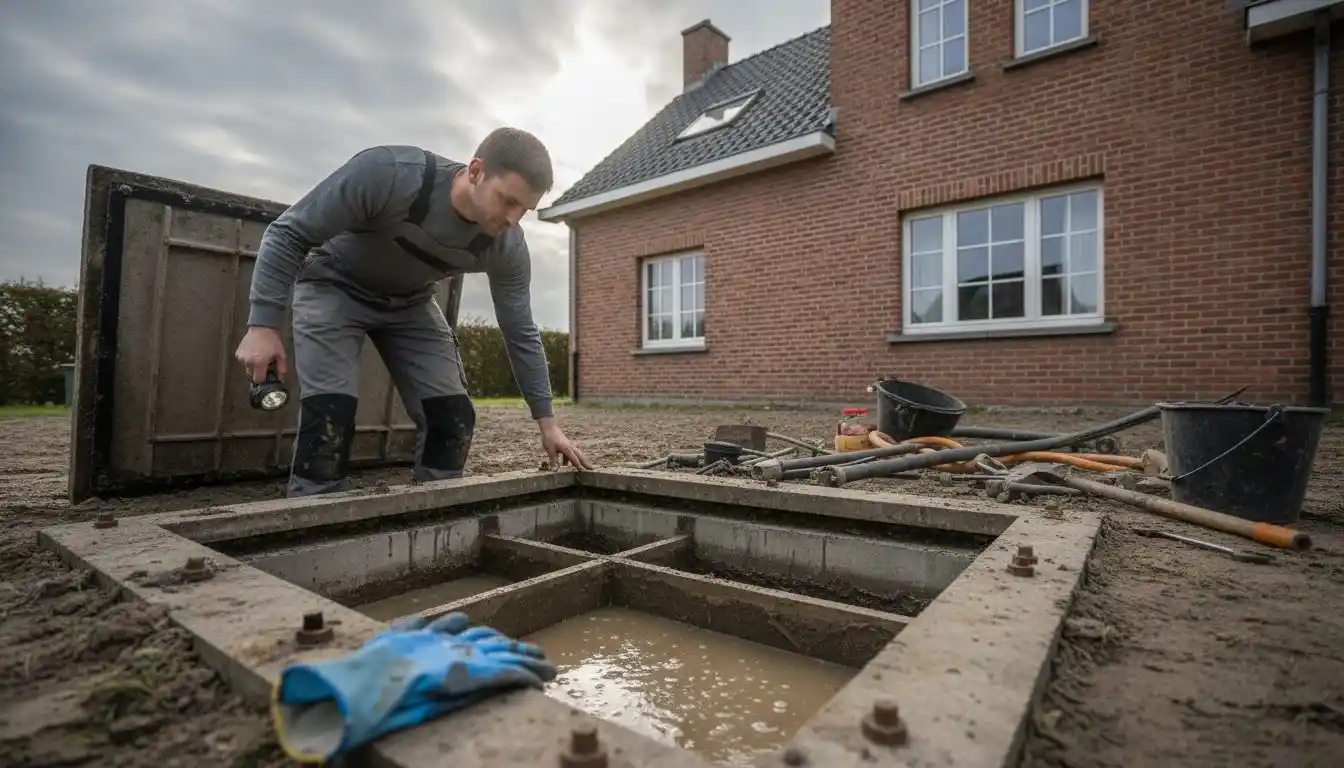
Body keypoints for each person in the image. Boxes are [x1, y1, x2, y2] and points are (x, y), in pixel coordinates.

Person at [234, 127, 591, 497]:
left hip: (410, 304)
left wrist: (548, 423)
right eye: (507, 201)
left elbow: (520, 331)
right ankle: (313, 516)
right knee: (329, 418)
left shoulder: (506, 246)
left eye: (524, 210)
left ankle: (435, 512)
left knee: (452, 417)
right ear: (476, 171)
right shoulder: (389, 174)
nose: (513, 220)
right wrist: (262, 325)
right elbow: (287, 234)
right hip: (332, 286)